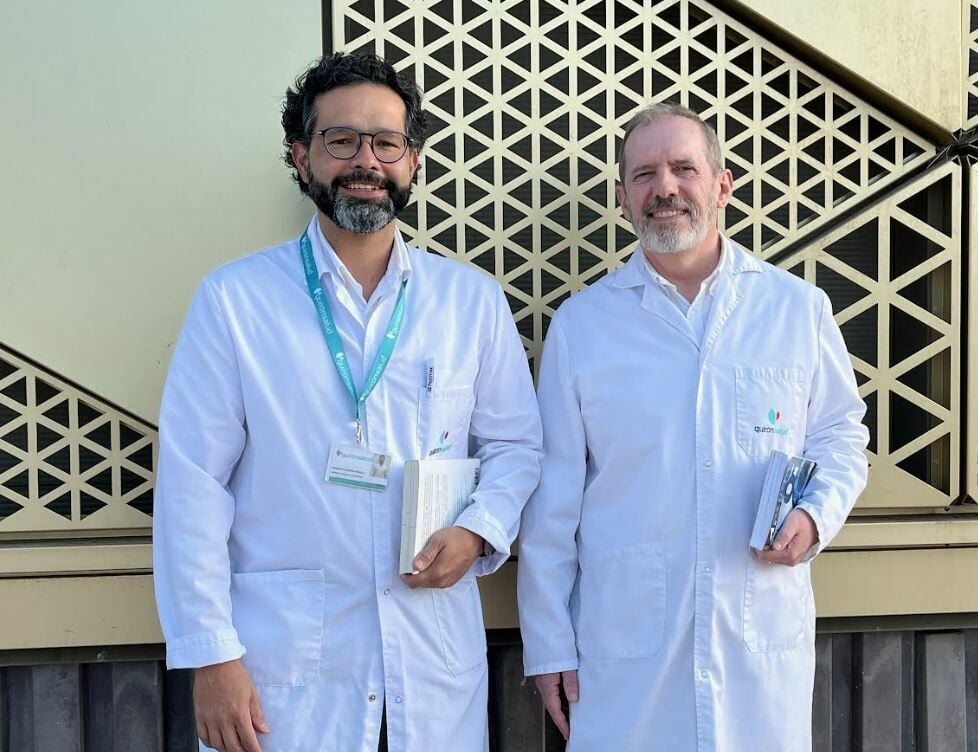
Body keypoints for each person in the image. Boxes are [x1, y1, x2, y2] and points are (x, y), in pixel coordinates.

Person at [153, 52, 542, 752]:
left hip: (430, 661)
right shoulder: (235, 302)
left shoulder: (470, 302)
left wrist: (478, 530)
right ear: (301, 156)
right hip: (286, 676)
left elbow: (516, 447)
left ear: (413, 160)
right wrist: (210, 655)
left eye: (386, 142)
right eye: (341, 140)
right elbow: (192, 485)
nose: (366, 161)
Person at [516, 102, 869, 752]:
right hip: (626, 659)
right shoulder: (583, 327)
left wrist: (815, 515)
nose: (665, 188)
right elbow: (551, 503)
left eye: (684, 168)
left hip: (755, 642)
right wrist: (547, 644)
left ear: (722, 185)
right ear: (622, 198)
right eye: (644, 174)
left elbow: (840, 436)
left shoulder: (794, 309)